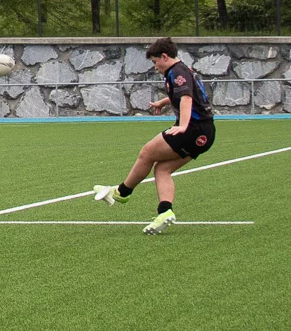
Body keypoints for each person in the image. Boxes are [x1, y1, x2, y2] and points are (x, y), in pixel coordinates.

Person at [90, 37, 216, 234]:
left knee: (147, 152)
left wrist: (183, 126)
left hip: (193, 129)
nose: (155, 67)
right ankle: (165, 212)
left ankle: (122, 192)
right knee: (162, 169)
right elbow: (186, 94)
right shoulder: (182, 69)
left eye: (155, 62)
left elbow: (186, 98)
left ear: (164, 57)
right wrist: (163, 102)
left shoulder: (177, 71)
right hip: (206, 133)